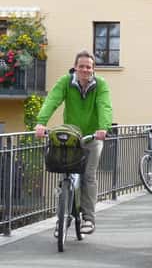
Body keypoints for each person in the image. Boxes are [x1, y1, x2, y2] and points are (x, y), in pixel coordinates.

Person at [35, 50, 113, 235]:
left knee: (88, 177)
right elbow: (52, 100)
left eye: (89, 67)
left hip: (92, 137)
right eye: (81, 66)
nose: (85, 70)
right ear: (75, 68)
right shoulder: (65, 82)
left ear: (93, 69)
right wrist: (41, 122)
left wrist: (103, 128)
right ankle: (63, 219)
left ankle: (88, 219)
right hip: (71, 137)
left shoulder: (100, 84)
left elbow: (104, 106)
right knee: (65, 176)